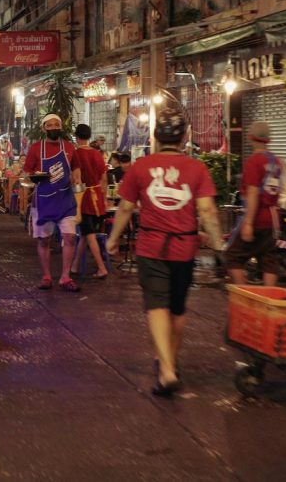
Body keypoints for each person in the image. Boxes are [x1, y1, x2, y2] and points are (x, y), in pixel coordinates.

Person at [106, 107, 223, 397]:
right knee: (178, 307)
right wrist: (219, 245)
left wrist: (113, 238)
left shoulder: (141, 167)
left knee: (156, 304)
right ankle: (170, 361)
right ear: (183, 137)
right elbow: (207, 210)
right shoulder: (197, 169)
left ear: (156, 136)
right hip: (184, 248)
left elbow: (124, 207)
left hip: (151, 246)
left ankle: (167, 369)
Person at [22, 113, 82, 292]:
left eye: (57, 124)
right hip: (44, 200)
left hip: (65, 199)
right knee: (43, 240)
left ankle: (65, 277)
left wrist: (76, 179)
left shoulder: (70, 147)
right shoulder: (35, 148)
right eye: (50, 125)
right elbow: (26, 173)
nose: (54, 127)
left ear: (61, 127)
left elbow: (76, 168)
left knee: (70, 238)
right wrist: (35, 177)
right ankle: (47, 276)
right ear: (44, 128)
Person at [225, 121, 283, 287]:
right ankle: (269, 298)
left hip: (256, 217)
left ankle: (245, 292)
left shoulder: (253, 162)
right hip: (273, 219)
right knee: (268, 259)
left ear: (250, 138)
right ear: (269, 140)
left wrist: (248, 223)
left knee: (232, 256)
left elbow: (252, 193)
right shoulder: (277, 162)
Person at [73, 124, 110, 280]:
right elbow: (104, 179)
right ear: (89, 136)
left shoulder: (76, 154)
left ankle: (102, 268)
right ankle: (74, 266)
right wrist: (105, 198)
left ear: (76, 136)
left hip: (84, 199)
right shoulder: (97, 154)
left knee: (89, 234)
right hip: (98, 199)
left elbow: (76, 179)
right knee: (85, 234)